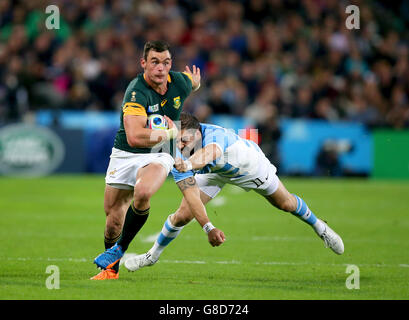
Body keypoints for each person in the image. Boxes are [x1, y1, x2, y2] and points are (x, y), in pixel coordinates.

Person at [124, 112, 344, 272]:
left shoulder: (215, 138)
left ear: (196, 133)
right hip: (214, 173)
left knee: (285, 204)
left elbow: (209, 154)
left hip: (248, 168)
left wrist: (189, 165)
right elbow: (191, 195)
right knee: (182, 215)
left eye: (184, 140)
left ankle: (320, 226)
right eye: (177, 141)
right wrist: (208, 227)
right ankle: (152, 256)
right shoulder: (177, 151)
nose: (180, 146)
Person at [90, 40, 201, 280]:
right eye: (155, 62)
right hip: (126, 152)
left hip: (159, 152)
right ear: (143, 64)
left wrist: (196, 83)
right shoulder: (136, 92)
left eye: (166, 62)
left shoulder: (179, 82)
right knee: (113, 221)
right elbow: (134, 137)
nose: (161, 68)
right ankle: (111, 270)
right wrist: (169, 133)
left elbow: (191, 83)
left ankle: (119, 249)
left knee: (143, 192)